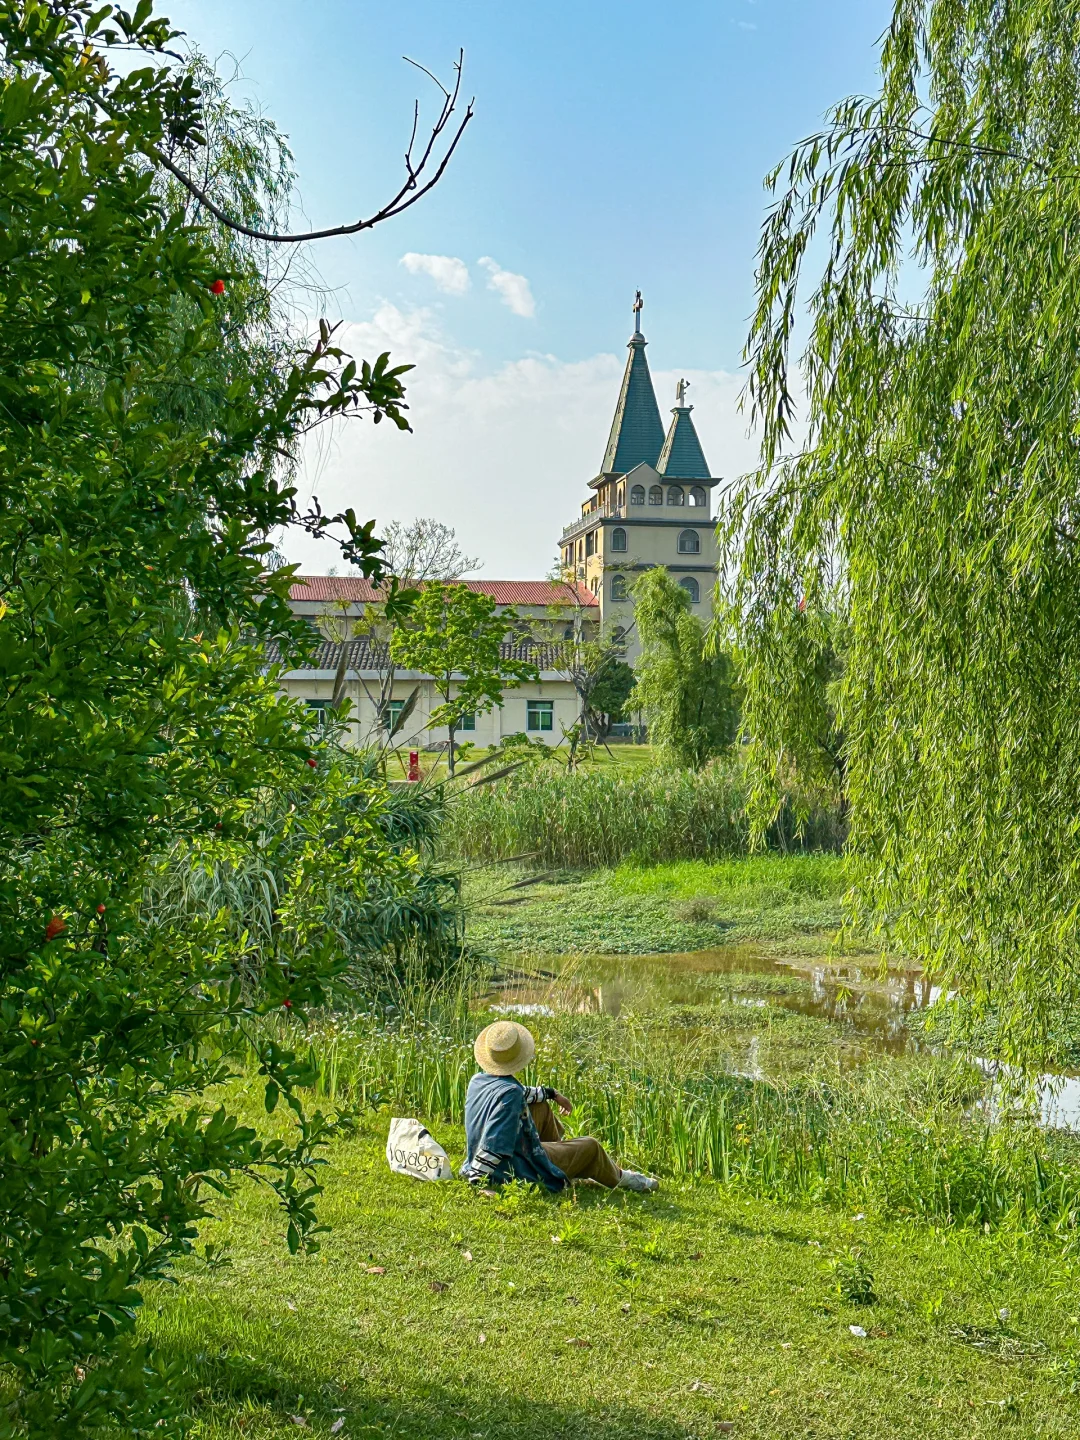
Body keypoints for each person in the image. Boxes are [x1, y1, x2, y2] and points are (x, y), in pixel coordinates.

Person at [460, 1020, 659, 1193]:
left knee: (539, 1106)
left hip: (508, 1155)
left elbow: (520, 1094)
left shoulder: (478, 1080)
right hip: (512, 1168)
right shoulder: (511, 1094)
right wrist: (477, 1181)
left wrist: (551, 1094)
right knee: (591, 1146)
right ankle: (623, 1178)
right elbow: (494, 1143)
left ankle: (565, 1167)